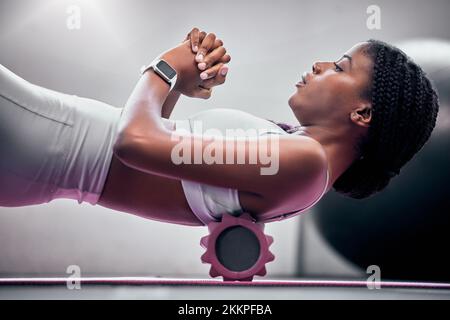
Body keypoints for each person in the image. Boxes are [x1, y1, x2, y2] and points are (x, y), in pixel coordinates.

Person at [0, 28, 439, 227]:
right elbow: (154, 154)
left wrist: (167, 67)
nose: (321, 65)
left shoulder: (304, 163)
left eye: (340, 67)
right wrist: (181, 86)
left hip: (40, 142)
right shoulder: (296, 154)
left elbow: (132, 143)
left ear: (362, 113)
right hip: (40, 143)